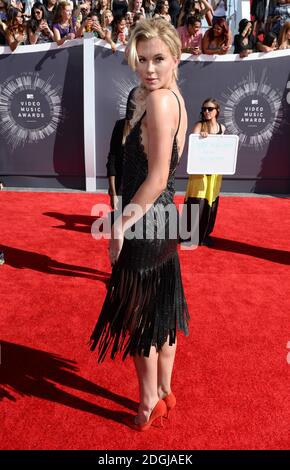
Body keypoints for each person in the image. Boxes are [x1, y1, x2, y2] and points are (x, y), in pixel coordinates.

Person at [90, 17, 189, 431]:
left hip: (146, 223)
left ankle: (148, 401)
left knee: (139, 319)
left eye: (158, 59)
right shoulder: (169, 97)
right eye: (141, 59)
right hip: (165, 221)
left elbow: (158, 177)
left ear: (174, 57)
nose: (149, 69)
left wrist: (118, 226)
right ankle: (165, 389)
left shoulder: (162, 101)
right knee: (163, 310)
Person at [183, 98, 225, 247]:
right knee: (197, 203)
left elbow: (224, 150)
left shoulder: (223, 128)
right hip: (199, 174)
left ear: (217, 111)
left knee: (211, 203)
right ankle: (189, 235)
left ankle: (205, 235)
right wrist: (200, 139)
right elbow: (191, 148)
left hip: (214, 174)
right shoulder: (199, 126)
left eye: (210, 109)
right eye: (204, 109)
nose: (206, 112)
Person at [106, 87, 136, 210]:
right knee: (121, 226)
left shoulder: (150, 127)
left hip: (142, 189)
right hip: (121, 187)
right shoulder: (120, 126)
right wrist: (113, 193)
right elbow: (112, 159)